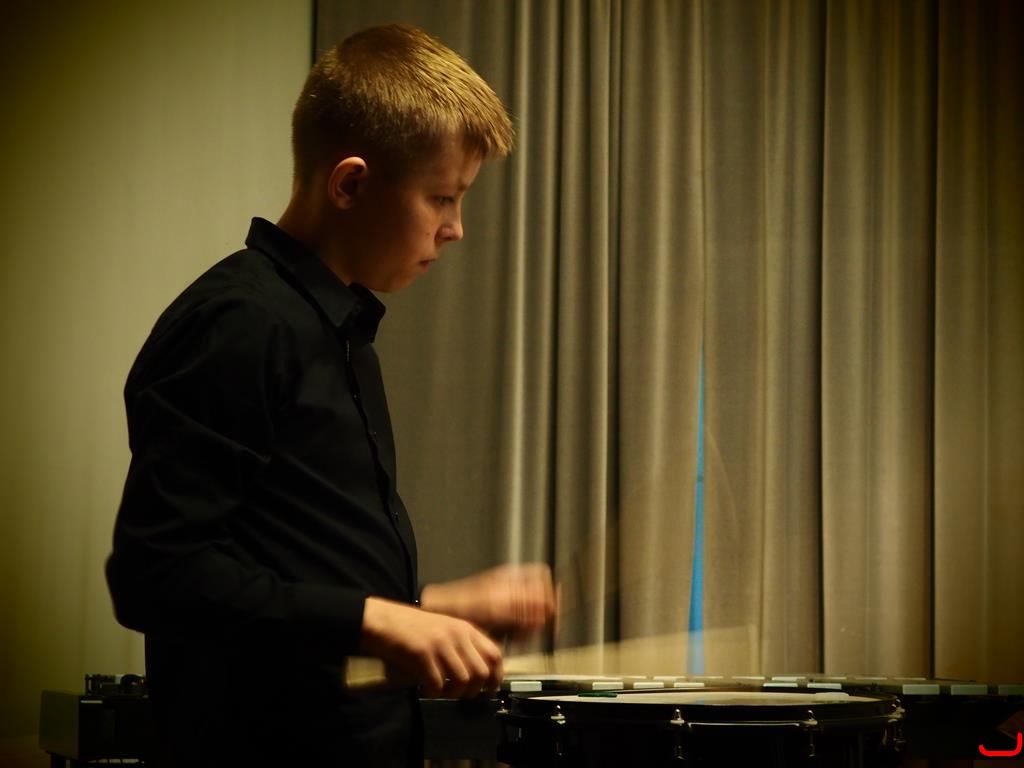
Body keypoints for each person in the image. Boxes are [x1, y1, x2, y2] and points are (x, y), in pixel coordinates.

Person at [106, 23, 556, 768]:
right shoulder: (238, 324)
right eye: (442, 198)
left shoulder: (339, 334)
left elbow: (290, 581)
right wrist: (379, 621)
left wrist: (432, 610)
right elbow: (159, 575)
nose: (455, 229)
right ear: (349, 184)